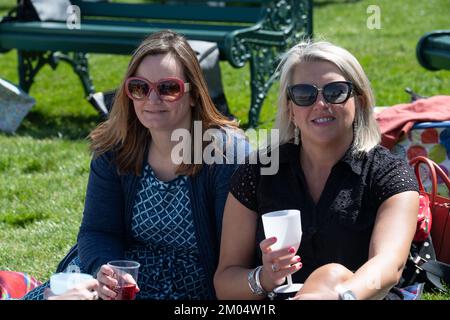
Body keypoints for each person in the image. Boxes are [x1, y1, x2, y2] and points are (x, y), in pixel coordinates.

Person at [22, 30, 247, 300]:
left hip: (193, 291)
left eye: (168, 88)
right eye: (140, 87)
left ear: (194, 94)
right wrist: (104, 269)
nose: (152, 99)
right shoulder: (116, 147)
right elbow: (98, 230)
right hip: (119, 286)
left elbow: (235, 255)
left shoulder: (224, 154)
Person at [214, 40, 420, 300]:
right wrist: (263, 278)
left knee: (332, 274)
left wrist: (336, 296)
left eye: (335, 91)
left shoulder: (388, 173)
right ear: (290, 109)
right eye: (304, 94)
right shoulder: (258, 171)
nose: (321, 103)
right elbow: (225, 283)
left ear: (360, 100)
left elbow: (389, 266)